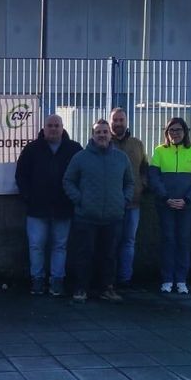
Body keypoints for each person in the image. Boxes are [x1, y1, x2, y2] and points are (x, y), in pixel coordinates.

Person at [62, 119, 133, 303]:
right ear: (92, 135)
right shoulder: (80, 157)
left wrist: (123, 200)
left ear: (110, 135)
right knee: (84, 254)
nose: (102, 135)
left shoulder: (121, 158)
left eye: (105, 132)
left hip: (113, 216)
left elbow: (129, 183)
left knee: (109, 255)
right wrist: (80, 200)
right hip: (86, 216)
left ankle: (107, 288)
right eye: (98, 132)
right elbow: (68, 181)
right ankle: (80, 289)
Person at [15, 114, 83, 296]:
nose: (53, 128)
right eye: (50, 125)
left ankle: (57, 281)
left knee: (59, 246)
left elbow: (82, 176)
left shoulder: (74, 149)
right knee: (36, 245)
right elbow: (21, 175)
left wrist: (75, 198)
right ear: (43, 128)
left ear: (62, 127)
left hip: (63, 207)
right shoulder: (32, 149)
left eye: (56, 125)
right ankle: (37, 280)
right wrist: (28, 197)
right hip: (37, 208)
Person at [148, 117, 191, 295]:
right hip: (165, 205)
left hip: (186, 206)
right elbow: (154, 178)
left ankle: (181, 280)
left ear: (185, 132)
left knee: (183, 241)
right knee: (168, 241)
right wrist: (166, 197)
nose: (175, 133)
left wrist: (187, 199)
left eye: (178, 130)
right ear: (166, 133)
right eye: (171, 130)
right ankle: (167, 280)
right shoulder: (159, 151)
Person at [109, 107, 149, 287]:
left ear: (126, 122)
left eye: (121, 120)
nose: (118, 123)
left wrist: (143, 185)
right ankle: (108, 279)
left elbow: (145, 168)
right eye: (115, 120)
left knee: (128, 242)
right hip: (109, 204)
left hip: (133, 203)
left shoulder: (137, 144)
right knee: (110, 242)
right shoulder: (104, 142)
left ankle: (125, 279)